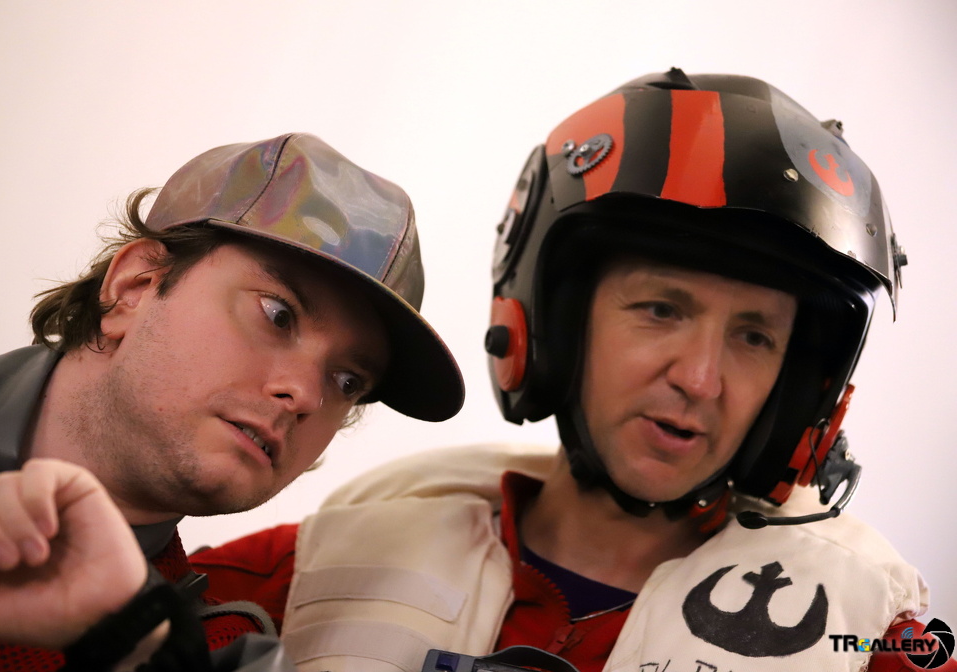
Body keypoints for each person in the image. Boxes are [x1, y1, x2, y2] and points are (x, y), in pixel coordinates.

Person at [192, 69, 955, 672]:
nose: (699, 379)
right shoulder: (304, 574)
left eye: (754, 337)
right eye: (661, 309)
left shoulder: (868, 645)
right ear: (553, 326)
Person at [0, 132, 464, 671]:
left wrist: (130, 641)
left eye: (348, 381)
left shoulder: (212, 653)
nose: (306, 395)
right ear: (135, 285)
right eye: (278, 315)